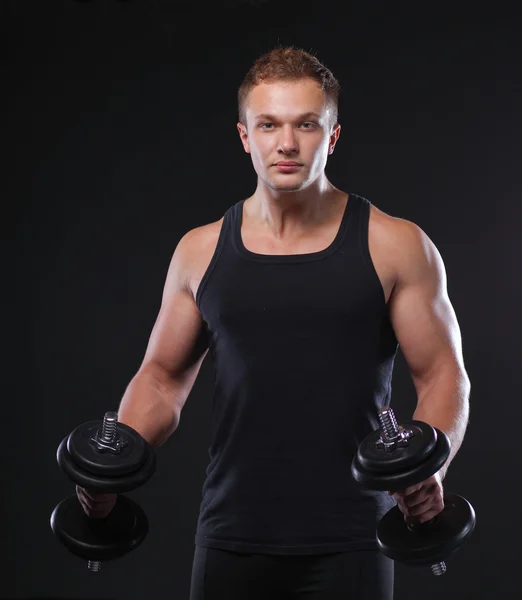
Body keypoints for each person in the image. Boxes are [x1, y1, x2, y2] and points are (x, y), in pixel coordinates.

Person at [77, 47, 471, 599]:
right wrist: (113, 463)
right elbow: (161, 377)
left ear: (332, 136)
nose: (287, 143)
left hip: (352, 536)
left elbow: (441, 374)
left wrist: (432, 467)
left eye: (306, 124)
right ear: (245, 135)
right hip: (231, 532)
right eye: (269, 125)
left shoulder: (395, 245)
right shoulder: (200, 250)